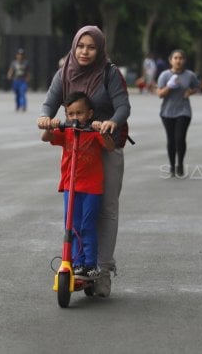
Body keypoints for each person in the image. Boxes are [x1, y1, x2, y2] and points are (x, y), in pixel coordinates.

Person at [37, 25, 131, 298]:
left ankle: (102, 271)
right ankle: (78, 261)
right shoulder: (65, 72)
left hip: (106, 142)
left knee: (106, 210)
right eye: (81, 46)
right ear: (74, 46)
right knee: (76, 215)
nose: (85, 51)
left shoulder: (109, 73)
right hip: (78, 146)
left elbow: (123, 105)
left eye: (91, 47)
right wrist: (46, 118)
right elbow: (49, 103)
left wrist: (111, 122)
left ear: (100, 48)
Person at [41, 91, 115, 279]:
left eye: (79, 113)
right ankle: (76, 261)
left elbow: (110, 147)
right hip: (70, 187)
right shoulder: (65, 132)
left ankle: (90, 264)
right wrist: (50, 126)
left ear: (89, 114)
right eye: (71, 114)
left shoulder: (93, 132)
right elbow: (46, 138)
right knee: (71, 226)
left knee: (87, 226)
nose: (75, 118)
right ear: (66, 115)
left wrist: (102, 130)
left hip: (91, 189)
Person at [156, 49, 200, 177]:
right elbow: (159, 94)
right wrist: (169, 86)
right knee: (171, 140)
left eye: (181, 58)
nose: (178, 60)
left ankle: (180, 163)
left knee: (180, 138)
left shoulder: (190, 75)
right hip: (167, 112)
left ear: (184, 60)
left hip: (184, 111)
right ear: (170, 61)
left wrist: (190, 92)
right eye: (175, 58)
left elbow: (197, 86)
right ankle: (171, 166)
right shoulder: (164, 75)